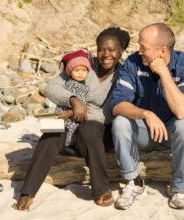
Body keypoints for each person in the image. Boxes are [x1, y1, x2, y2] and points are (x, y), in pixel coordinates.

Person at [13, 27, 130, 211]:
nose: (106, 54)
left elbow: (109, 112)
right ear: (95, 49)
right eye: (101, 49)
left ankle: (101, 189)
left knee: (88, 129)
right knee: (51, 135)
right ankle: (28, 192)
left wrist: (78, 112)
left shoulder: (123, 75)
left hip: (98, 130)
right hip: (71, 122)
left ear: (121, 51)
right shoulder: (83, 64)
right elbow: (52, 87)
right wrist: (73, 101)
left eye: (112, 50)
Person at [109, 23, 184, 210]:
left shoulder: (182, 65)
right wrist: (146, 114)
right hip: (144, 131)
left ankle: (179, 188)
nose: (139, 51)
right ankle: (134, 182)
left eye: (144, 47)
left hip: (171, 133)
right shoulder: (133, 63)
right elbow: (117, 104)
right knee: (120, 122)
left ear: (163, 51)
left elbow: (182, 111)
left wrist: (164, 73)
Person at [55, 49, 91, 155]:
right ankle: (67, 146)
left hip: (76, 111)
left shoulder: (82, 84)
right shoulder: (71, 84)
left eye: (84, 71)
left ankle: (73, 145)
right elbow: (77, 99)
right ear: (70, 71)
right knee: (71, 128)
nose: (81, 73)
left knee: (77, 128)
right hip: (69, 111)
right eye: (77, 70)